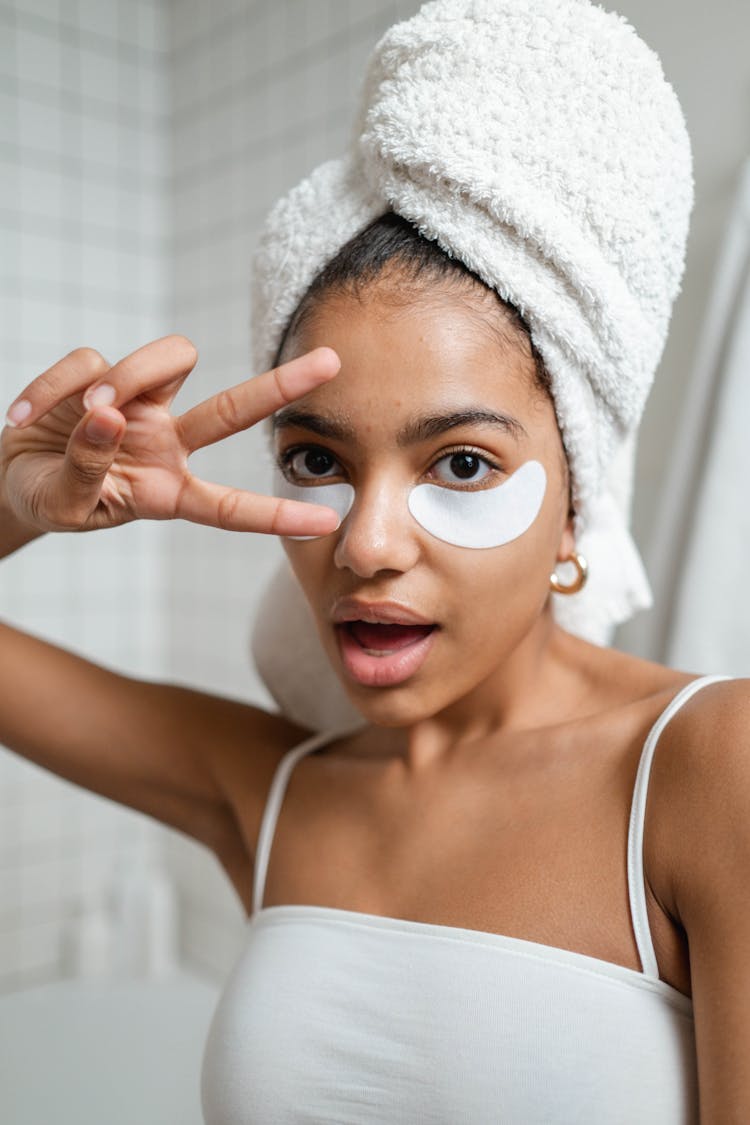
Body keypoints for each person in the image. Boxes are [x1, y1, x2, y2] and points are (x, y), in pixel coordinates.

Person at [2, 2, 749, 1123]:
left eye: (459, 463)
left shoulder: (705, 768)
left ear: (577, 502)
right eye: (317, 457)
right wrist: (13, 501)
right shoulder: (278, 789)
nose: (366, 542)